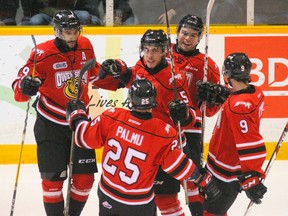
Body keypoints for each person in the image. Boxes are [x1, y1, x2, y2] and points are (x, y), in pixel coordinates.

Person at [11, 10, 120, 216]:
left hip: (80, 124)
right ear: (56, 31)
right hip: (50, 125)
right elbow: (20, 88)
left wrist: (114, 76)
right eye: (66, 32)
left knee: (85, 180)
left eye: (74, 31)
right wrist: (25, 87)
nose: (71, 37)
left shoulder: (86, 45)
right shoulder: (41, 54)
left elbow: (94, 73)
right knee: (52, 180)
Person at [66, 79, 220, 216]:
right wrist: (202, 179)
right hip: (138, 204)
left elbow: (83, 137)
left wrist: (77, 115)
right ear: (154, 101)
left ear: (131, 100)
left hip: (108, 195)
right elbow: (179, 167)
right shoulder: (163, 132)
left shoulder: (112, 117)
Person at [98, 29, 199, 216]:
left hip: (162, 146)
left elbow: (192, 116)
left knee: (165, 200)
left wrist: (184, 114)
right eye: (146, 49)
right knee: (142, 196)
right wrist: (118, 67)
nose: (150, 55)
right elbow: (131, 75)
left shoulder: (175, 79)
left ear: (164, 51)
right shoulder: (141, 65)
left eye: (155, 50)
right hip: (142, 145)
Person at [171, 14, 230, 216]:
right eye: (184, 33)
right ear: (177, 32)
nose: (187, 38)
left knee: (193, 179)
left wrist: (210, 99)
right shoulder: (162, 53)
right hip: (161, 127)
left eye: (193, 35)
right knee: (160, 183)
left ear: (200, 39)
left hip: (191, 129)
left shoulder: (207, 66)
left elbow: (212, 110)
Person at [198, 52, 267, 215]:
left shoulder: (237, 106)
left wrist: (251, 177)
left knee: (211, 212)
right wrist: (224, 94)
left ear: (226, 74)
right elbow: (241, 102)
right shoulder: (256, 93)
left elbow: (249, 141)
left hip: (226, 172)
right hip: (219, 165)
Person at [20, 0, 102, 26]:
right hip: (49, 13)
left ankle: (76, 32)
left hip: (73, 11)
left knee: (85, 16)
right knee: (35, 20)